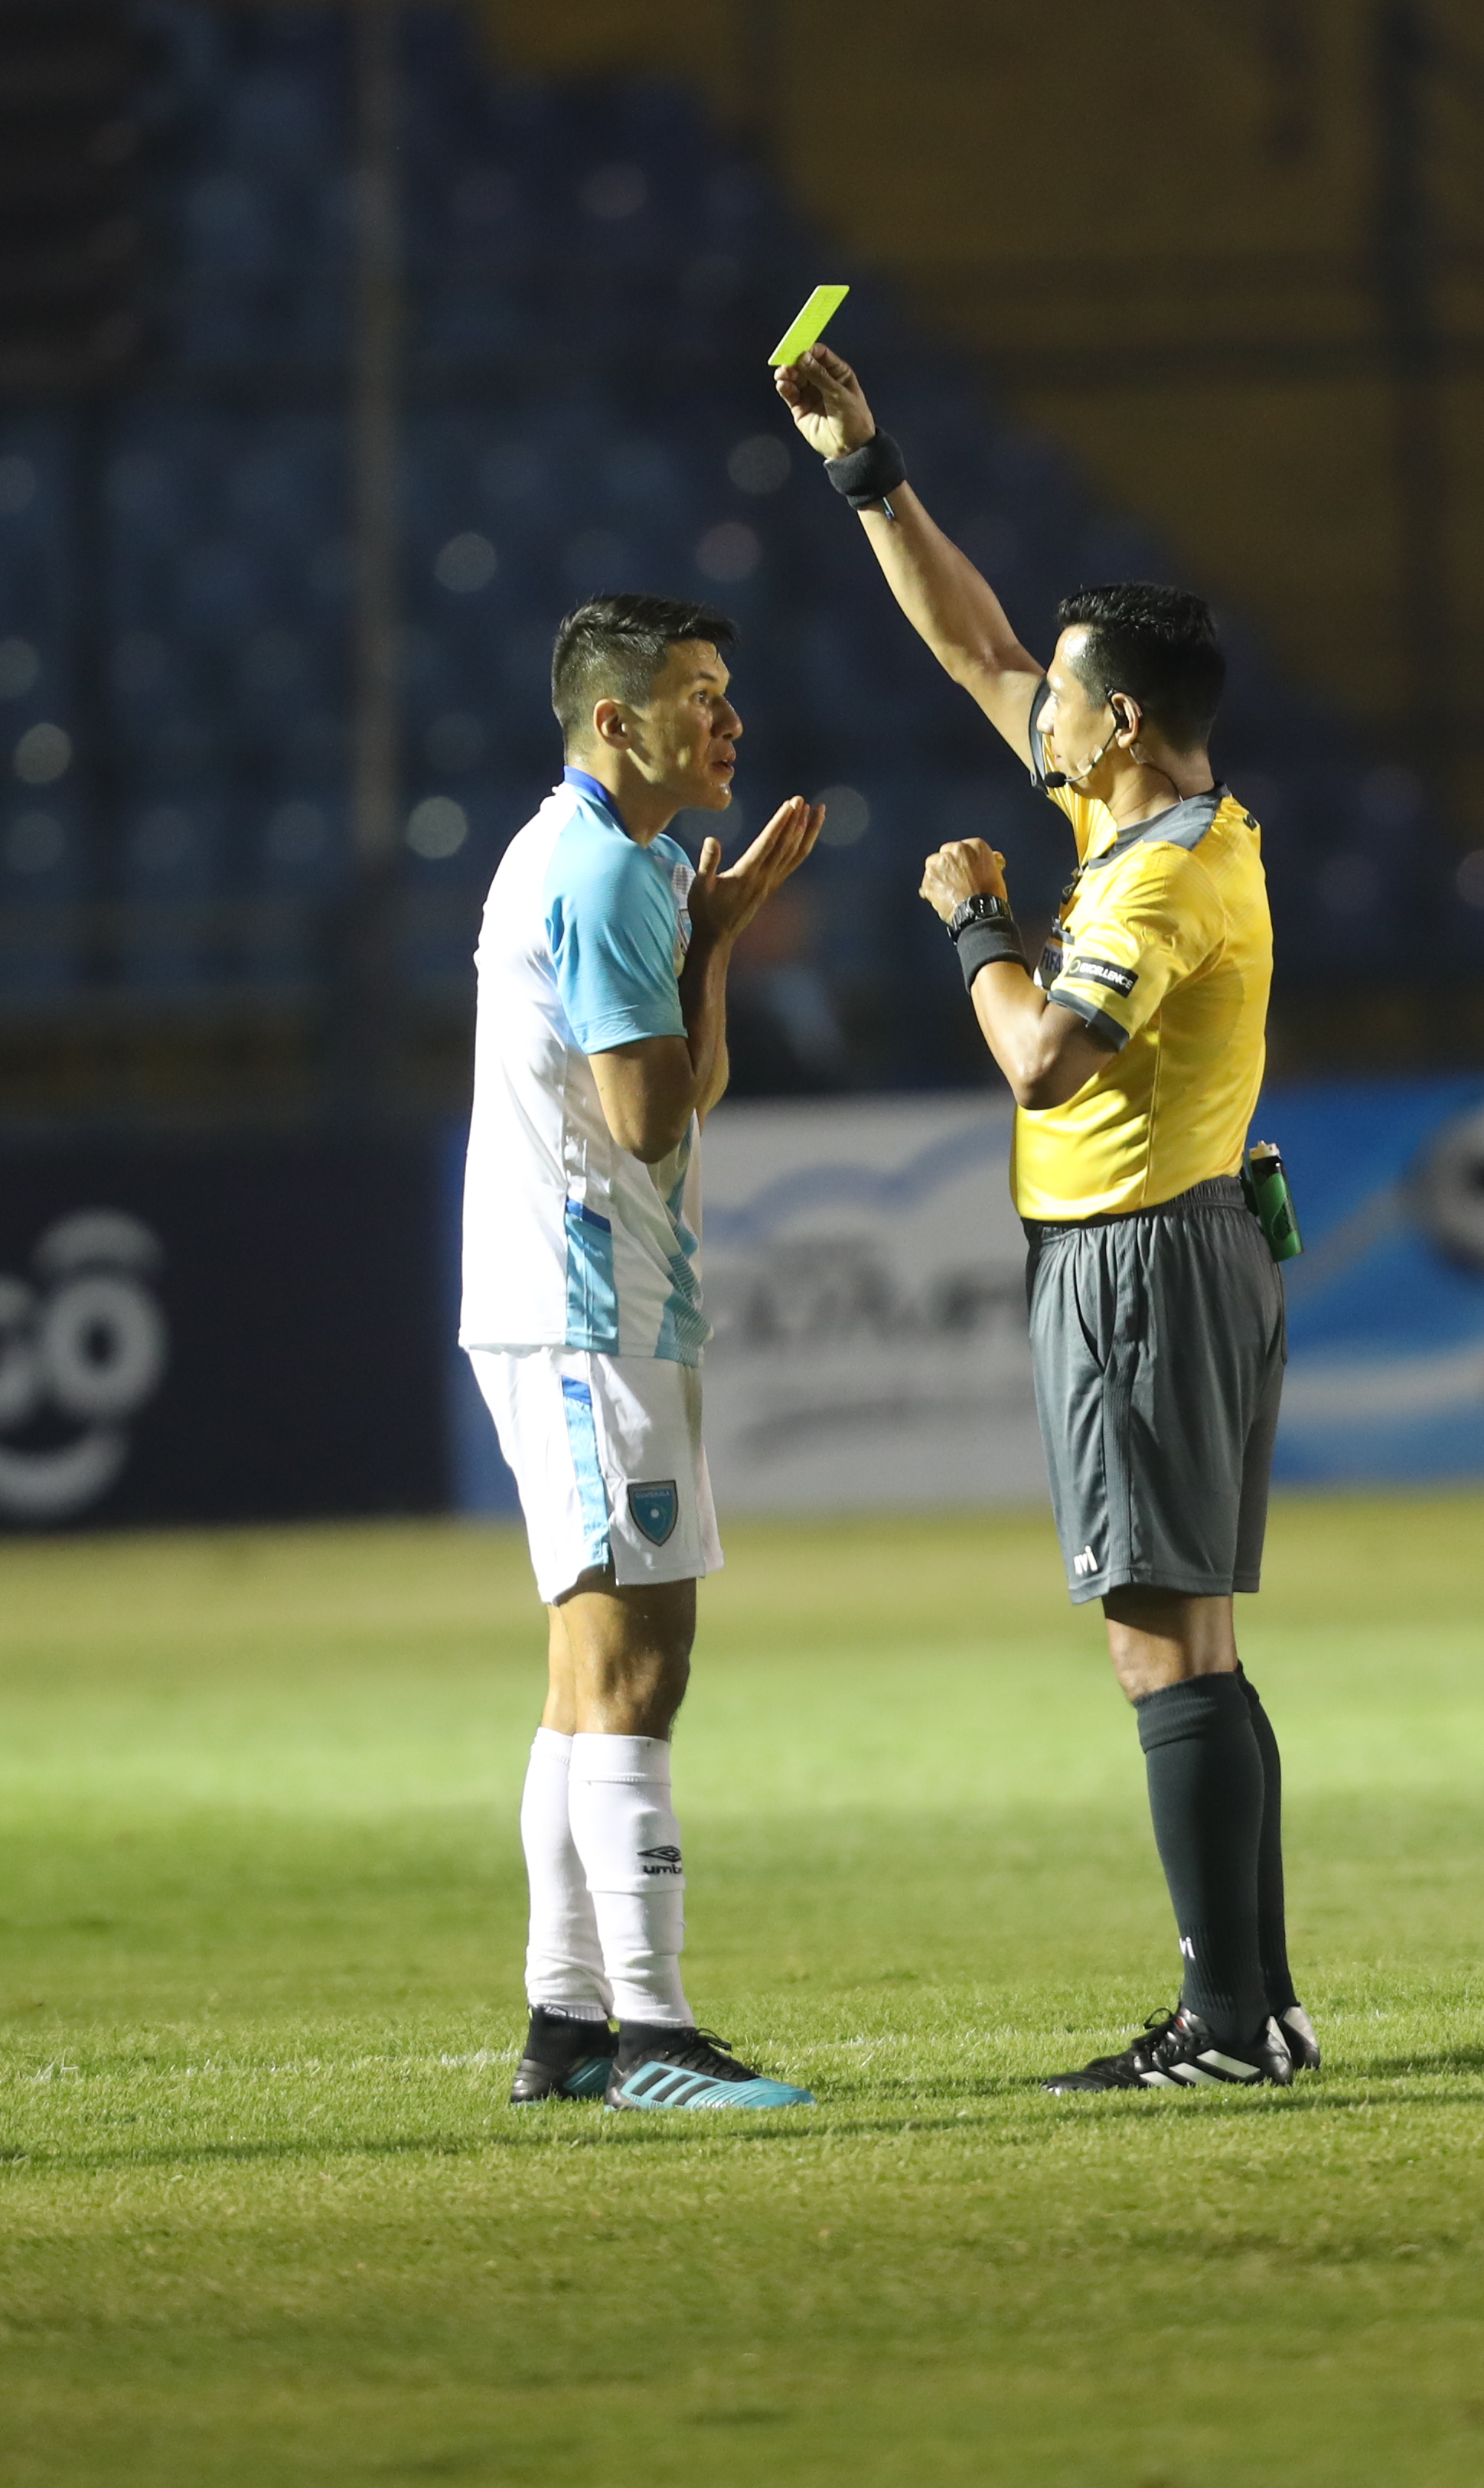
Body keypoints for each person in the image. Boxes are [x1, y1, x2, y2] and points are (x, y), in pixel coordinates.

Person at [778, 343, 1306, 2095]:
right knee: (1198, 1639)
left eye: (1069, 707)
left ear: (1124, 724)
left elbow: (1045, 1063)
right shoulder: (1159, 809)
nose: (1038, 720)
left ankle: (1222, 2029)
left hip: (1138, 1259)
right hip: (1195, 1242)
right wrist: (869, 474)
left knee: (1151, 1635)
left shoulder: (1147, 880)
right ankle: (1259, 2007)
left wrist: (967, 920)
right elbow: (977, 647)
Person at [462, 593, 824, 2111]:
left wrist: (718, 935)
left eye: (729, 691)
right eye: (698, 693)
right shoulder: (610, 873)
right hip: (586, 1305)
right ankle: (656, 2038)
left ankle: (565, 2026)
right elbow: (651, 1118)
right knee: (638, 1667)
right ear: (617, 722)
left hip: (588, 1298)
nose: (730, 719)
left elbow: (693, 1078)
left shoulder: (606, 858)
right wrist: (696, 933)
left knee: (580, 1677)